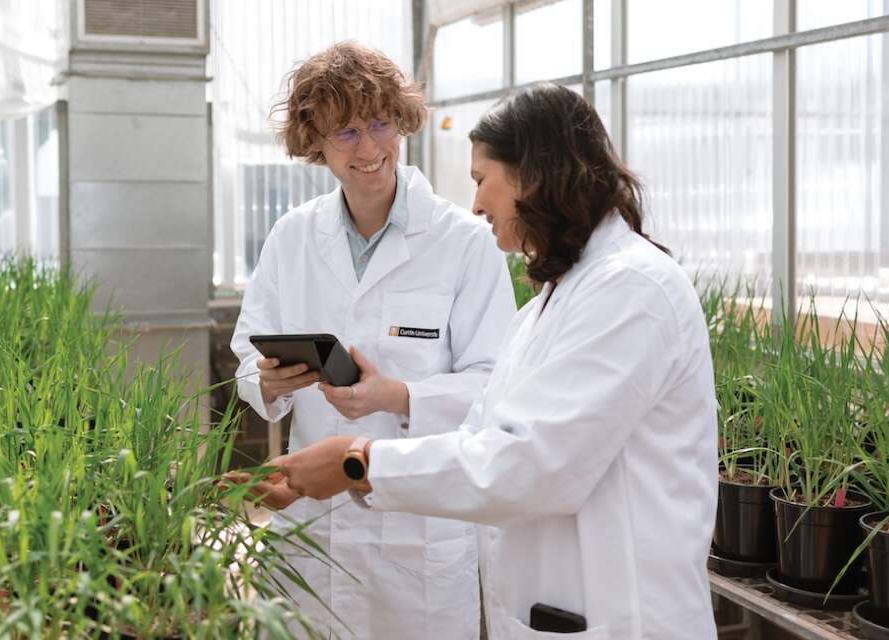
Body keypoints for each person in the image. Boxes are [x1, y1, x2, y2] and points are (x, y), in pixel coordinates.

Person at [263, 83, 720, 639]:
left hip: (624, 616)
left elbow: (530, 465)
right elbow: (482, 430)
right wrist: (313, 477)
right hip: (550, 614)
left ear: (534, 174)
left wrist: (356, 461)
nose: (476, 204)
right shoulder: (551, 307)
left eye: (482, 180)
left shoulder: (632, 290)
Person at [229, 41, 516, 639]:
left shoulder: (463, 242)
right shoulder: (292, 238)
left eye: (380, 124)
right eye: (345, 133)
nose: (368, 149)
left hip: (418, 541)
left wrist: (397, 396)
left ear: (402, 121)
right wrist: (268, 382)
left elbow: (496, 387)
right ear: (316, 144)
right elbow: (247, 364)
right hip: (312, 529)